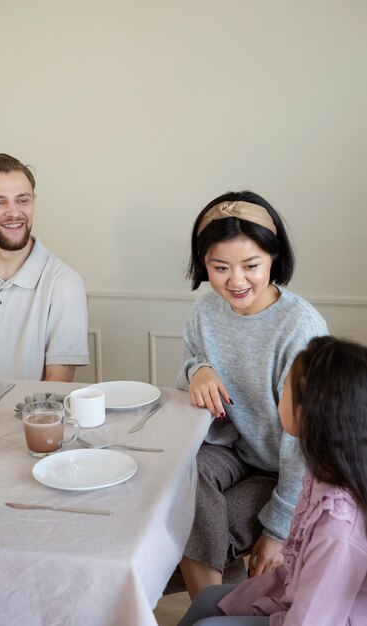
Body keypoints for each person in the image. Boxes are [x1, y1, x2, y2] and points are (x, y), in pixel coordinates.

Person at [175, 191, 328, 599]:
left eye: (251, 265)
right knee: (178, 475)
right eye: (219, 267)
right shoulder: (205, 312)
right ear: (203, 263)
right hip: (231, 452)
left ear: (274, 258)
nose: (236, 280)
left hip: (287, 470)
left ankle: (209, 614)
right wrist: (198, 369)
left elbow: (304, 444)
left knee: (194, 523)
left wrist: (277, 531)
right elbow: (189, 375)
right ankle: (219, 614)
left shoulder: (299, 327)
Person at [177, 336, 367, 625]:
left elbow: (311, 619)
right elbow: (295, 571)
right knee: (209, 598)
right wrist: (244, 597)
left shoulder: (338, 529)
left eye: (286, 387)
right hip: (293, 595)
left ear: (308, 412)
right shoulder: (322, 473)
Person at [0, 153, 89, 382]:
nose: (14, 212)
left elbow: (54, 390)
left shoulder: (65, 284)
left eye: (22, 200)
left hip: (29, 417)